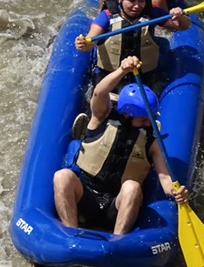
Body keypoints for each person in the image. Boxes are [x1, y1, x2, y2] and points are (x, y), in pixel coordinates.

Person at [53, 56, 189, 235]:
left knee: (132, 187)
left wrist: (177, 191)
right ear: (127, 114)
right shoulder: (101, 118)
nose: (148, 124)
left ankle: (117, 244)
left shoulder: (152, 142)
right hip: (85, 194)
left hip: (116, 204)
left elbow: (165, 179)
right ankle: (70, 234)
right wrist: (122, 70)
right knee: (62, 176)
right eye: (142, 120)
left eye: (150, 119)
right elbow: (99, 93)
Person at [74, 0, 190, 90]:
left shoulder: (152, 13)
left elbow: (183, 27)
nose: (137, 6)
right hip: (110, 74)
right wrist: (83, 44)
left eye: (141, 1)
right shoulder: (106, 16)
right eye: (131, 0)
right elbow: (90, 42)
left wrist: (179, 17)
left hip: (144, 74)